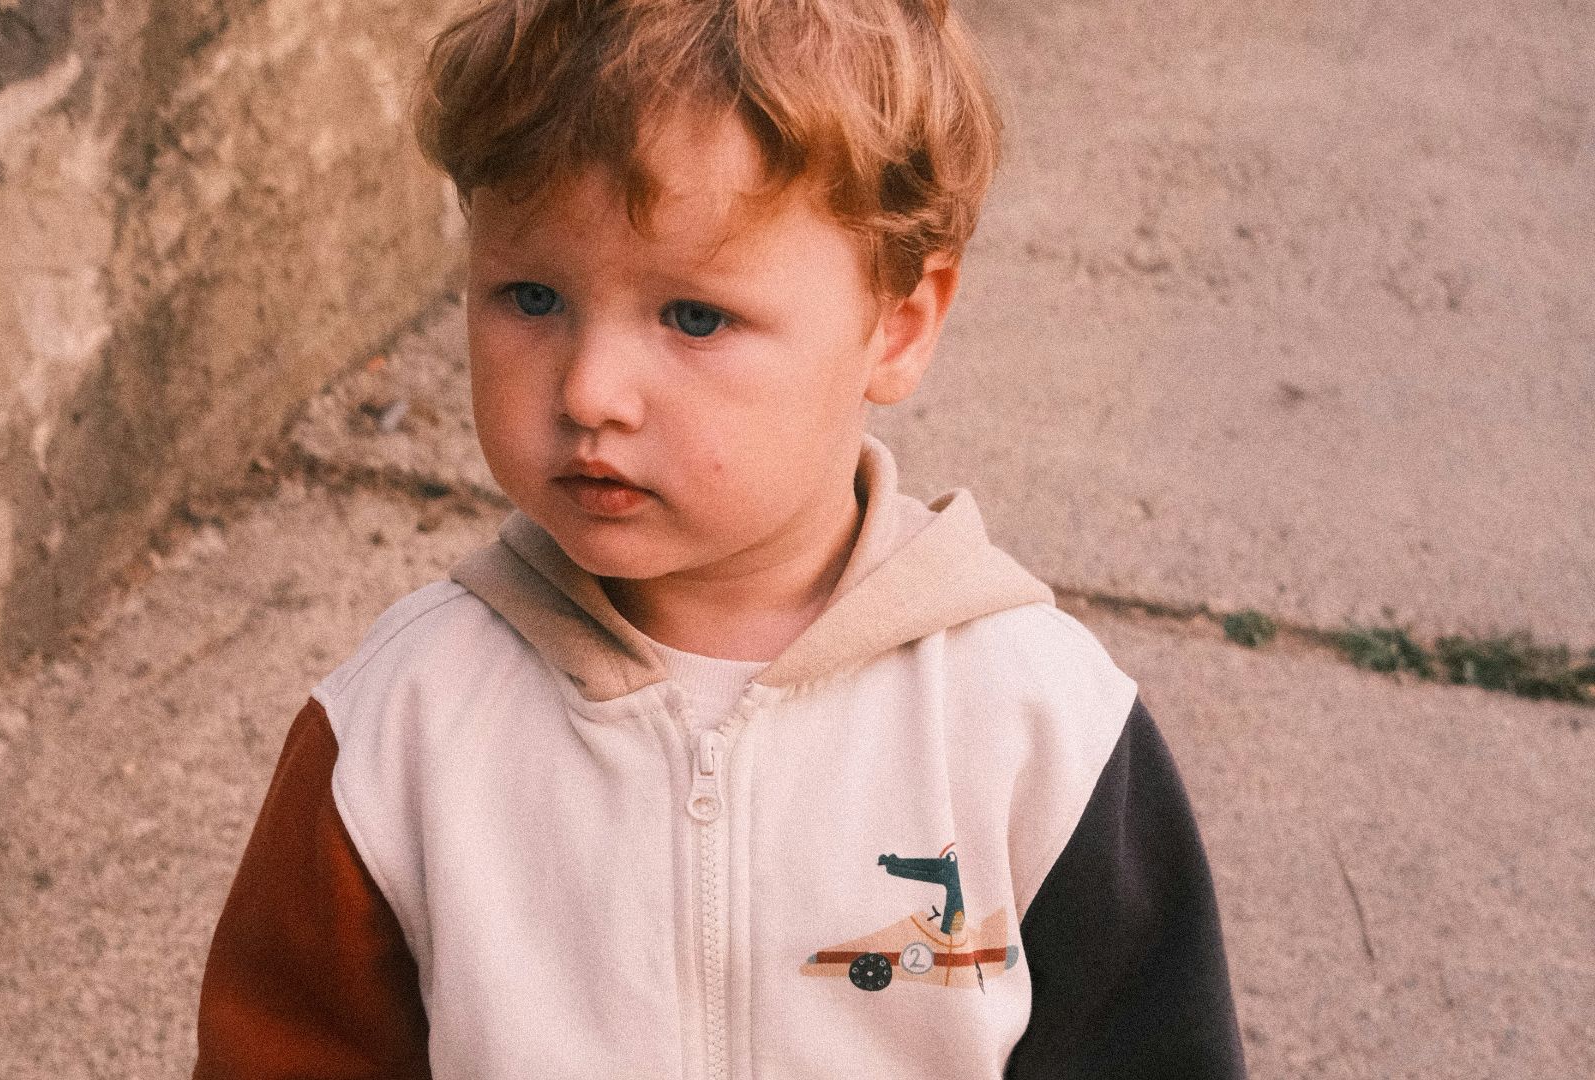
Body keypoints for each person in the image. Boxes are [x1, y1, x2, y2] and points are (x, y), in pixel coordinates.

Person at [193, 0, 1246, 1076]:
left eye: (694, 317)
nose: (590, 390)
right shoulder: (397, 728)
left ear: (899, 323)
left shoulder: (1032, 724)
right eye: (531, 296)